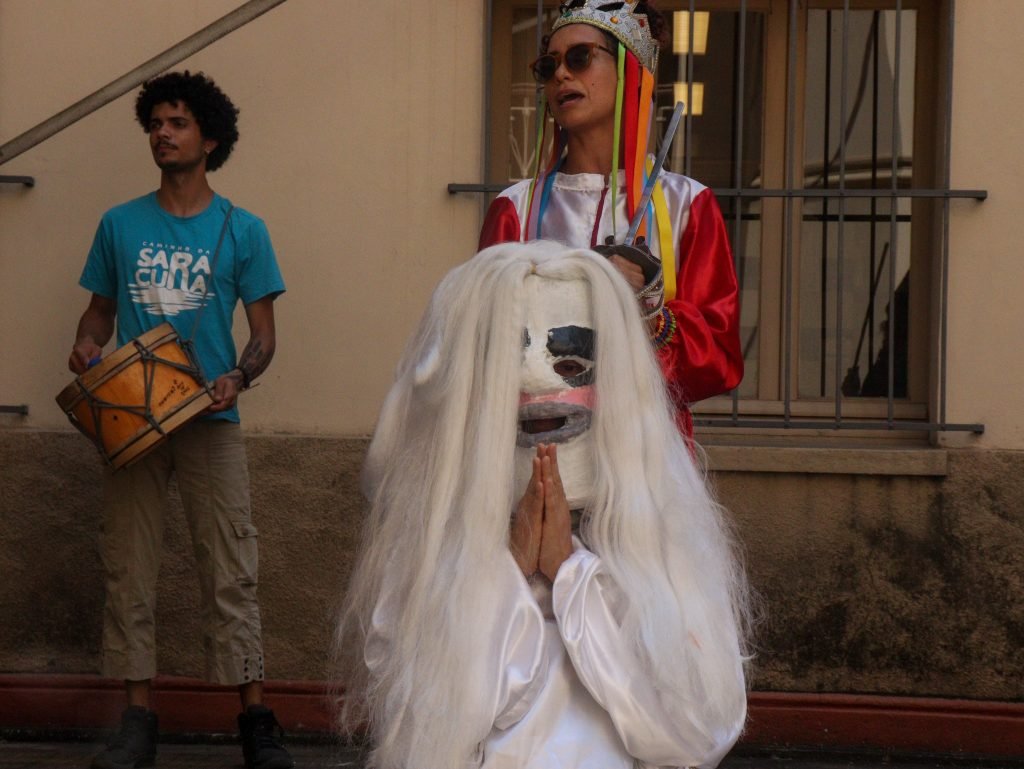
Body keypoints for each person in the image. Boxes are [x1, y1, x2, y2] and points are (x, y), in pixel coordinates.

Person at [335, 241, 751, 769]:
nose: (535, 380)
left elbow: (696, 733)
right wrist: (505, 569)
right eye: (507, 366)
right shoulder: (431, 549)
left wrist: (571, 575)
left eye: (570, 361)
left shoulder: (659, 542)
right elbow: (426, 732)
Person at [67, 71, 292, 769]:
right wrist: (85, 342)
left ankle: (255, 719)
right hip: (132, 420)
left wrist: (239, 376)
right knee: (128, 566)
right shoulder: (119, 223)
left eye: (177, 123)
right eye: (155, 123)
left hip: (209, 418)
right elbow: (99, 311)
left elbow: (263, 335)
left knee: (231, 563)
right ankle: (138, 718)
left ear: (210, 138)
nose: (162, 133)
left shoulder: (244, 228)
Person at [479, 0, 743, 436]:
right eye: (549, 65)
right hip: (539, 451)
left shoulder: (687, 204)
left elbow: (719, 360)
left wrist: (646, 308)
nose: (562, 74)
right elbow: (482, 349)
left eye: (580, 58)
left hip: (648, 461)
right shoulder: (514, 210)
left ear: (630, 71)